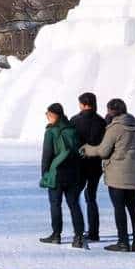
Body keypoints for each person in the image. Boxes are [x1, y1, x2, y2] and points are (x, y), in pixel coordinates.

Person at [80, 98, 135, 252]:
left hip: (117, 174)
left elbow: (103, 151)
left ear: (111, 111)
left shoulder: (115, 128)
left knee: (119, 207)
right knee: (134, 207)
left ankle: (123, 242)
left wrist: (88, 149)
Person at [39, 103, 84, 247]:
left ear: (53, 115)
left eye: (48, 113)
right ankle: (78, 236)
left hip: (57, 173)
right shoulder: (72, 129)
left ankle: (56, 234)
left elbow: (47, 155)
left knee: (55, 204)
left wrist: (45, 174)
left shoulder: (51, 132)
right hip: (73, 172)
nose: (47, 116)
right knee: (74, 204)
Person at [71, 93, 106, 242]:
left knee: (74, 197)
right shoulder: (101, 122)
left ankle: (78, 231)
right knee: (91, 197)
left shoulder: (74, 121)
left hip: (79, 165)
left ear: (82, 104)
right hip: (95, 165)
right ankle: (94, 231)